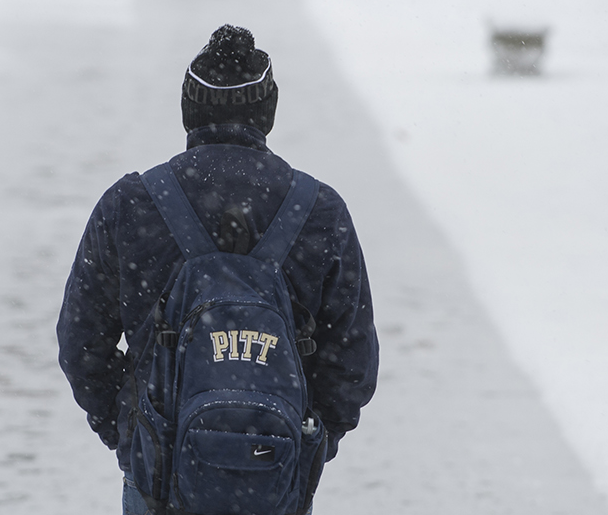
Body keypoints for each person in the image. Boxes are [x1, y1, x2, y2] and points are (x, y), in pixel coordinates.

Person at [57, 25, 379, 515]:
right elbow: (352, 365)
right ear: (267, 111)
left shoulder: (132, 203)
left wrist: (132, 431)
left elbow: (81, 344)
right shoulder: (319, 211)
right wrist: (303, 441)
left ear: (189, 109)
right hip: (275, 477)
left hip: (158, 481)